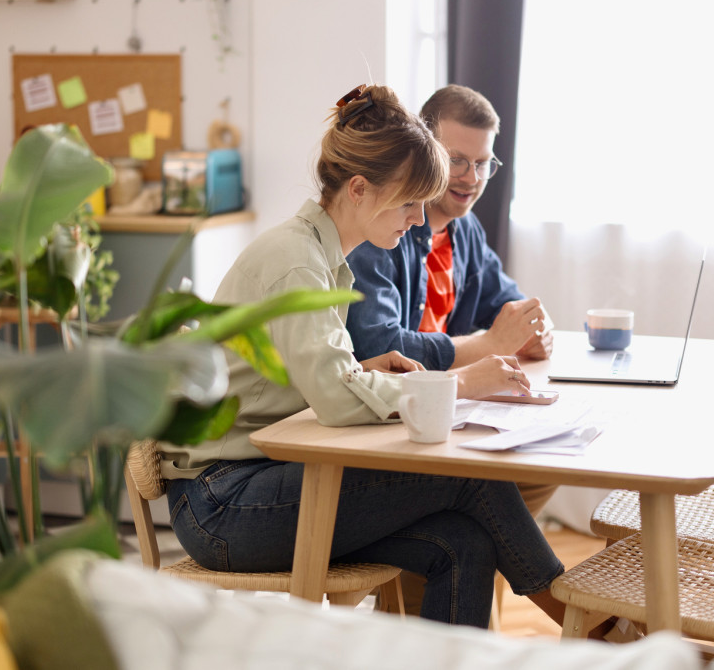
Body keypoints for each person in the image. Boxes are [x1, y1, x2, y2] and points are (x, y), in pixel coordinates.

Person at [157, 84, 571, 629]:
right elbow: (334, 401)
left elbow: (304, 380)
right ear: (358, 190)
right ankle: (588, 625)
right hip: (221, 503)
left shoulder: (323, 257)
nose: (419, 220)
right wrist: (462, 382)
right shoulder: (296, 261)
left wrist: (362, 372)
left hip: (259, 477)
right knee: (470, 477)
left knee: (464, 543)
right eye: (409, 202)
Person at [344, 86, 560, 613]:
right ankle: (574, 615)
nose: (470, 177)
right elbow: (379, 344)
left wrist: (536, 326)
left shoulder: (465, 231)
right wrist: (486, 345)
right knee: (483, 495)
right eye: (457, 160)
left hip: (444, 411)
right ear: (424, 151)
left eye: (483, 163)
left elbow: (506, 301)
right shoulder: (381, 230)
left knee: (539, 470)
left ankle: (449, 612)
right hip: (387, 418)